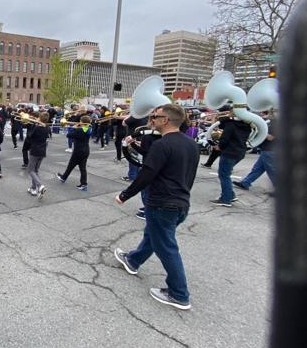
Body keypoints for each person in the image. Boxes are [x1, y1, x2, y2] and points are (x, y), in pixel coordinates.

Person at [114, 104, 199, 310]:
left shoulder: (161, 145)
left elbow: (147, 173)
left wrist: (125, 195)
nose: (151, 119)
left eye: (155, 116)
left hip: (162, 202)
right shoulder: (191, 144)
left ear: (165, 120)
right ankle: (133, 260)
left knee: (166, 247)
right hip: (180, 202)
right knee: (154, 235)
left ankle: (179, 294)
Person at [212, 114, 251, 207]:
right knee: (226, 174)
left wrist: (219, 146)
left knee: (224, 175)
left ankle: (226, 199)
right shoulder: (247, 125)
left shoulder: (230, 125)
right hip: (240, 152)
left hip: (229, 152)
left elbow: (224, 139)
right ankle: (231, 195)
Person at [234, 112, 275, 193]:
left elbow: (271, 138)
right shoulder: (270, 122)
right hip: (266, 149)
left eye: (270, 113)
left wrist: (261, 132)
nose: (267, 114)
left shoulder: (277, 124)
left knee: (272, 170)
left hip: (270, 150)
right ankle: (246, 183)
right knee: (257, 169)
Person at [56, 116, 93, 191]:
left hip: (78, 151)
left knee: (71, 165)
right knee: (82, 168)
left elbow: (68, 135)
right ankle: (83, 184)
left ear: (81, 122)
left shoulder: (79, 130)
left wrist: (73, 127)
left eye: (80, 121)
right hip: (86, 150)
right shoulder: (89, 129)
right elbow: (83, 129)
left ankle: (64, 178)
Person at [26, 112, 50, 198]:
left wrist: (33, 125)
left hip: (35, 151)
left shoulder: (36, 128)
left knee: (30, 170)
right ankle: (33, 188)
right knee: (35, 170)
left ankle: (40, 186)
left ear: (39, 118)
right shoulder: (47, 127)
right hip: (42, 152)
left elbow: (29, 137)